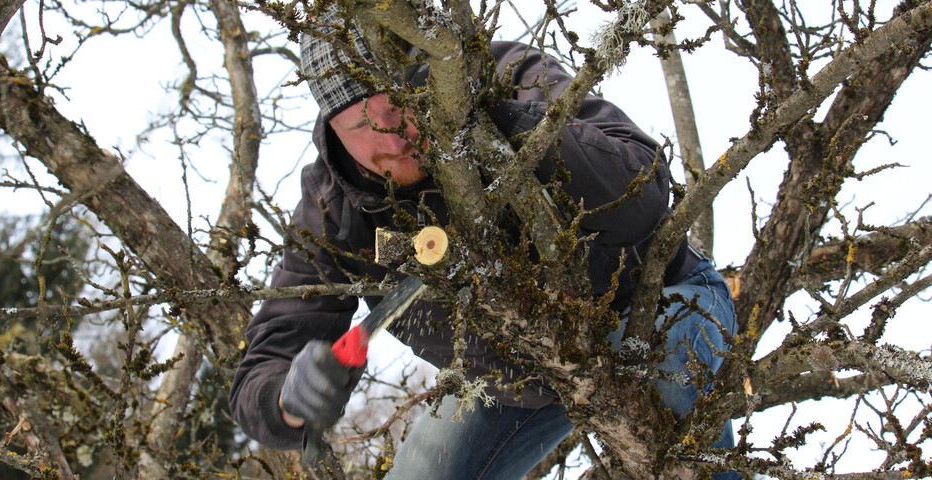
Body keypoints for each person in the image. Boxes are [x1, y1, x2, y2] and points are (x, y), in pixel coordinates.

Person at [229, 13, 739, 480]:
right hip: (517, 382)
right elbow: (269, 357)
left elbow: (643, 191)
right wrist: (287, 400)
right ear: (332, 129)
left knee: (668, 405)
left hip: (659, 306)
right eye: (361, 123)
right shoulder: (331, 207)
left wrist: (503, 127)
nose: (392, 134)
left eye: (401, 100)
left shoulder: (506, 74)